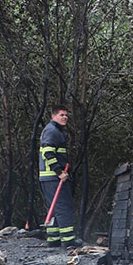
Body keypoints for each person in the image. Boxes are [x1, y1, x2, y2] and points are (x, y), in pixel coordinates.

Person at [38, 105, 80, 247]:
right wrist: (59, 172)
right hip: (54, 178)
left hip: (49, 178)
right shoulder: (52, 131)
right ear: (53, 116)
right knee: (63, 207)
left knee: (54, 208)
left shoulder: (55, 131)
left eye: (66, 115)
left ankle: (53, 239)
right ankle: (68, 241)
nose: (65, 117)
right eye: (61, 115)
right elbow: (48, 153)